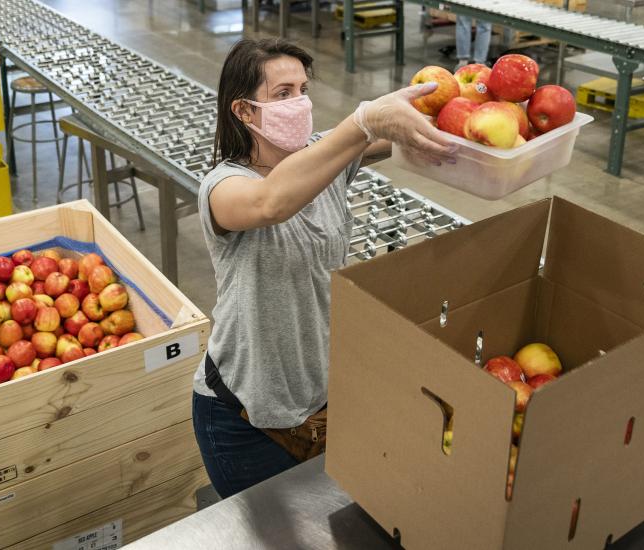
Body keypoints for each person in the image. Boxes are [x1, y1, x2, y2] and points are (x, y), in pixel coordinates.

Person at [192, 38, 456, 499]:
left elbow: (402, 134)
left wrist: (468, 106)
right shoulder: (224, 187)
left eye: (302, 89)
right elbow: (270, 202)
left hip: (320, 401)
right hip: (244, 417)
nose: (299, 103)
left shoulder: (323, 159)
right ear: (244, 111)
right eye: (282, 94)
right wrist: (361, 121)